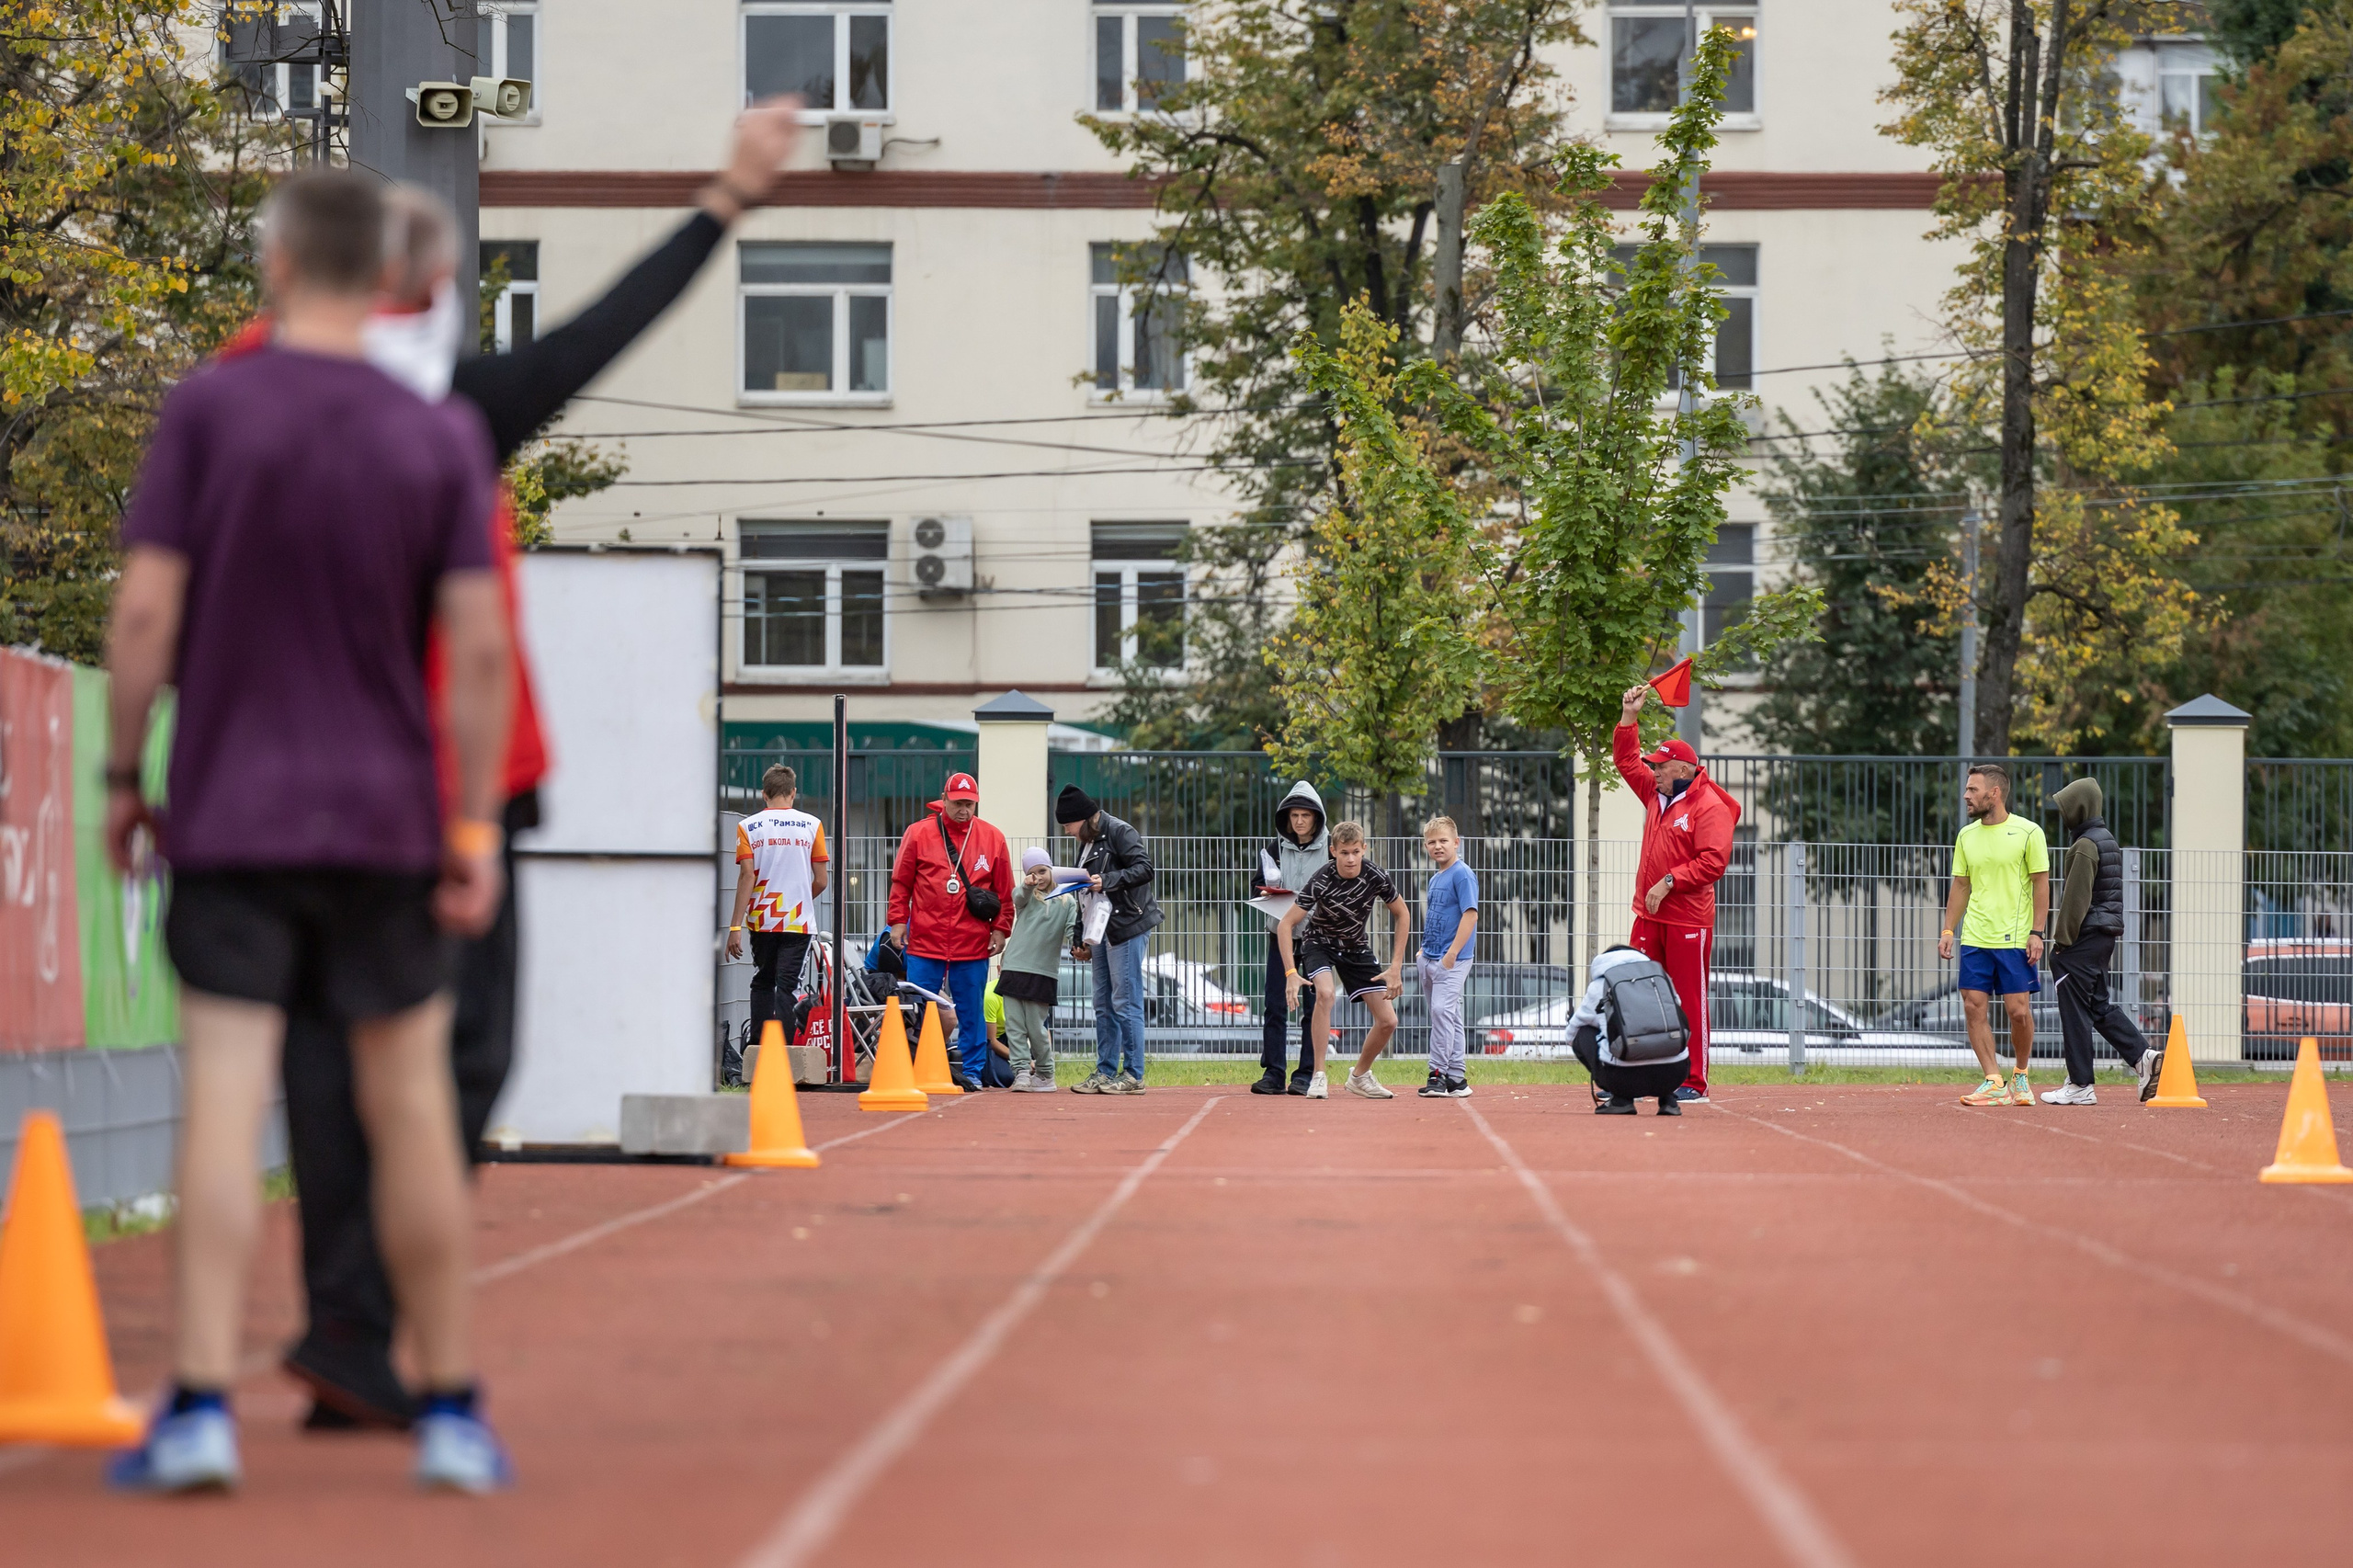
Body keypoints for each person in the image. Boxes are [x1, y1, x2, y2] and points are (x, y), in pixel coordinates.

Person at [271, 100, 803, 1433]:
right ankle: (375, 1312)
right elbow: (591, 337)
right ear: (426, 287)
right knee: (460, 1056)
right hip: (450, 787)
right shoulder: (451, 416)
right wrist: (728, 198)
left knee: (329, 1056)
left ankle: (349, 1317)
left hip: (295, 782)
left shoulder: (240, 390)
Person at [102, 167, 512, 1493]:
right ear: (392, 279)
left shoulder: (212, 410)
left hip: (231, 810)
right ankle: (450, 1404)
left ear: (278, 266)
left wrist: (121, 771)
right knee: (410, 1112)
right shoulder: (436, 434)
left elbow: (148, 613)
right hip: (389, 818)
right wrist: (472, 820)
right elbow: (482, 649)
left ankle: (202, 1405)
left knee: (224, 1100)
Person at [1612, 687, 1741, 1104]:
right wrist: (1629, 717)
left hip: (1688, 918)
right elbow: (1626, 761)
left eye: (1662, 767)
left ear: (1683, 769)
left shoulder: (1709, 807)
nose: (1655, 772)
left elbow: (1713, 863)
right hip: (1648, 916)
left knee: (1689, 997)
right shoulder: (1656, 792)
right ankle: (1644, 1071)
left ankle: (1695, 1081)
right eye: (1655, 767)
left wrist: (1668, 881)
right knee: (1637, 991)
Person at [886, 773, 1013, 1091]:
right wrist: (898, 921)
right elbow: (901, 882)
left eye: (970, 804)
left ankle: (971, 1073)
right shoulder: (918, 833)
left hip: (972, 940)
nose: (964, 810)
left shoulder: (992, 837)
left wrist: (1001, 929)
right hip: (925, 938)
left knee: (971, 1009)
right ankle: (917, 1066)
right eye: (957, 803)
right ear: (944, 799)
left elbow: (1005, 891)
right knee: (920, 1008)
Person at [2040, 778, 2163, 1105]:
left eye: (2066, 807)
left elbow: (2075, 900)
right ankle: (2143, 1057)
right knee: (2097, 1006)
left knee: (2074, 1010)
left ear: (2079, 807)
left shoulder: (2084, 845)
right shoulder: (2105, 839)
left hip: (2082, 938)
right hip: (2103, 936)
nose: (2063, 814)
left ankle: (2080, 1084)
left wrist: (2061, 943)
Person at [1938, 763, 2051, 1107]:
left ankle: (2020, 1074)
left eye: (1973, 790)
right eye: (1967, 789)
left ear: (1995, 793)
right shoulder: (1966, 836)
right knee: (1973, 1006)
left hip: (2015, 939)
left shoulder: (2029, 833)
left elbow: (2041, 884)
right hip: (1975, 937)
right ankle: (1993, 1080)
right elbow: (1961, 884)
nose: (1966, 796)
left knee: (2018, 1012)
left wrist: (2037, 932)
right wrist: (1948, 929)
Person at [1274, 821, 1411, 1100]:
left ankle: (1359, 1076)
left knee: (1388, 1021)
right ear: (1333, 850)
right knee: (1325, 994)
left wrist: (1395, 967)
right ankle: (1319, 1075)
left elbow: (1403, 914)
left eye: (1356, 852)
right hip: (1319, 943)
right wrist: (1290, 972)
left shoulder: (1376, 876)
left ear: (1364, 849)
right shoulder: (1322, 878)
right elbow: (1285, 925)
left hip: (1355, 947)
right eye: (1344, 852)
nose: (1350, 859)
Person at [726, 764, 831, 1083]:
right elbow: (822, 880)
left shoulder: (749, 827)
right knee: (787, 987)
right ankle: (785, 1056)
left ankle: (758, 1050)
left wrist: (735, 927)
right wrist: (799, 900)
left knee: (762, 981)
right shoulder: (813, 825)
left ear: (764, 793)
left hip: (762, 918)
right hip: (797, 920)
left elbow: (746, 875)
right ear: (793, 792)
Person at [1056, 786, 1165, 1094]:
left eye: (1068, 825)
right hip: (1100, 930)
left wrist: (1110, 880)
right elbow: (1083, 891)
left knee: (1124, 999)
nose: (1067, 832)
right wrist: (1080, 936)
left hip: (1127, 925)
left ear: (1083, 818)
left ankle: (1133, 1074)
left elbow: (1145, 868)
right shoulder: (1088, 843)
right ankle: (1105, 1071)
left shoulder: (1120, 831)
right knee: (1103, 1002)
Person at [1250, 780, 1328, 1096]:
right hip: (1279, 936)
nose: (1299, 821)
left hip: (1316, 938)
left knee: (1314, 1006)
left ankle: (1306, 1073)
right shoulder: (1273, 849)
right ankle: (1274, 1072)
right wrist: (1270, 893)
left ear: (1316, 817)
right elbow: (1257, 885)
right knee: (1275, 1004)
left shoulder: (1331, 847)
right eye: (1294, 815)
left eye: (1305, 815)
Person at [1569, 945, 1690, 1116]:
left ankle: (1621, 1100)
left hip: (1622, 1078)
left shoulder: (1600, 983)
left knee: (1582, 1031)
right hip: (1675, 1073)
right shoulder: (1661, 977)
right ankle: (1668, 1099)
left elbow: (1574, 1029)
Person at [1000, 846, 1082, 1093]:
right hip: (1014, 966)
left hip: (1043, 972)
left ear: (1052, 869)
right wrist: (1026, 885)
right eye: (1033, 873)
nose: (1039, 877)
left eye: (1043, 871)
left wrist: (1079, 946)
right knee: (1014, 1026)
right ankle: (1022, 1072)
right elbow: (1017, 897)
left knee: (1036, 1028)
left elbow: (1070, 931)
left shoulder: (1068, 901)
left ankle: (1046, 1074)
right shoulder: (1026, 899)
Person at [1418, 816, 1480, 1099]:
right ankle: (1456, 1076)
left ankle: (1437, 1074)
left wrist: (1452, 954)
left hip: (1452, 959)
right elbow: (1436, 915)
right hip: (1430, 956)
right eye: (1432, 842)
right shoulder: (1436, 877)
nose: (1437, 846)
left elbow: (1470, 913)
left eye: (1443, 841)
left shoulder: (1462, 874)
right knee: (1448, 1015)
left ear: (1456, 843)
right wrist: (1423, 949)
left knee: (1442, 1012)